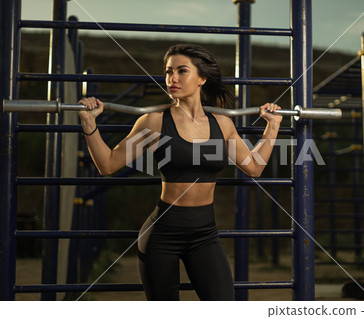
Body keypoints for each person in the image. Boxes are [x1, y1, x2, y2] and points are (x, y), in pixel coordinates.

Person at [77, 44, 282, 301]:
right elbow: (107, 165)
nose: (172, 78)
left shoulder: (223, 123)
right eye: (168, 71)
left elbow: (254, 167)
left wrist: (272, 128)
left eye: (182, 71)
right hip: (162, 234)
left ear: (202, 79)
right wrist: (89, 124)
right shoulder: (153, 121)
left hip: (205, 234)